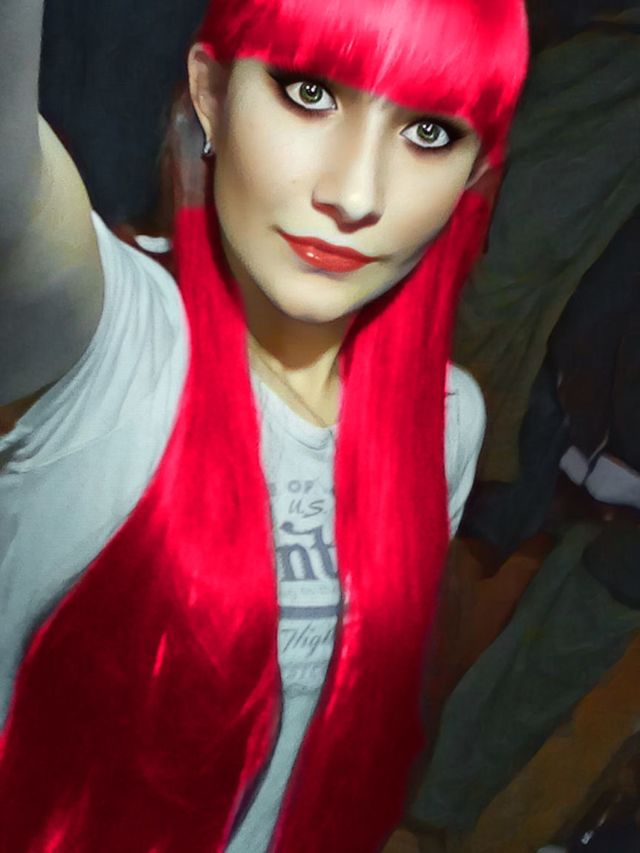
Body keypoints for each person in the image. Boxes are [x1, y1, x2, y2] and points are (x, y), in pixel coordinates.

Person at [0, 0, 528, 850]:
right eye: (309, 92)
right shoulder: (108, 342)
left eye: (429, 132)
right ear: (210, 95)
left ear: (473, 178)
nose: (354, 194)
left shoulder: (445, 423)